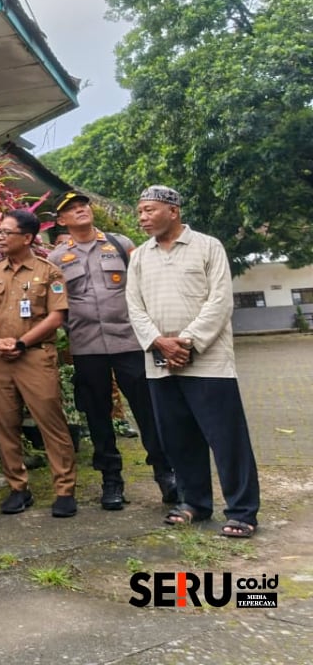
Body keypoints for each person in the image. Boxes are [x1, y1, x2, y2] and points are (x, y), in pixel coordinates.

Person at [126, 185, 260, 538]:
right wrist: (159, 343)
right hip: (159, 363)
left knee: (226, 439)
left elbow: (220, 302)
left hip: (208, 362)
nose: (142, 217)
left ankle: (243, 511)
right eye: (139, 211)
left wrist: (185, 343)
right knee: (179, 439)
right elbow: (134, 308)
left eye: (149, 210)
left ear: (173, 210)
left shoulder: (207, 246)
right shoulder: (139, 256)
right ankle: (194, 504)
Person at [48, 191, 176, 510]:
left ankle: (167, 475)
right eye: (71, 210)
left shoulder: (121, 244)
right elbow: (55, 304)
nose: (80, 211)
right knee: (98, 416)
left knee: (147, 410)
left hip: (129, 341)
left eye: (82, 206)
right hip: (87, 346)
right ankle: (111, 481)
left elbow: (145, 286)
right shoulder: (55, 259)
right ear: (61, 220)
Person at [0, 209, 78, 518]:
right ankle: (18, 488)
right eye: (0, 232)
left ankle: (64, 490)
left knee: (51, 423)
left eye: (7, 232)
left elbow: (56, 317)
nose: (1, 237)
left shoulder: (49, 273)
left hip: (34, 357)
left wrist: (22, 342)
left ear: (27, 238)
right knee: (5, 425)